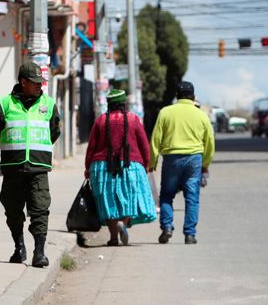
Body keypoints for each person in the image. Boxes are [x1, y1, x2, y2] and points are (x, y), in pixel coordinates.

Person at [0, 61, 61, 268]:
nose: (40, 85)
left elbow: (54, 131)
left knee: (40, 209)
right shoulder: (5, 104)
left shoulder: (48, 104)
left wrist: (39, 148)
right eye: (35, 82)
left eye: (41, 82)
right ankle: (19, 247)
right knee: (12, 209)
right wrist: (12, 147)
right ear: (23, 81)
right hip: (13, 168)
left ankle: (40, 252)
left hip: (38, 168)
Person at [84, 89, 157, 246]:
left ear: (109, 105)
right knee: (128, 198)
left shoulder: (101, 120)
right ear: (124, 104)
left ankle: (113, 238)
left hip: (103, 167)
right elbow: (144, 144)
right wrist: (146, 164)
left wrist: (87, 167)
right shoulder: (133, 119)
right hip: (130, 165)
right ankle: (123, 224)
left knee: (109, 200)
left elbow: (92, 146)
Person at [150, 81, 214, 245]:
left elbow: (156, 138)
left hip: (171, 158)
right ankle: (190, 235)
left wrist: (153, 161)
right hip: (194, 159)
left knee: (166, 195)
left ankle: (166, 227)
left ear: (177, 96)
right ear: (193, 97)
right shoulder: (201, 115)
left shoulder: (165, 112)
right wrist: (205, 163)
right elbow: (209, 142)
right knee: (192, 198)